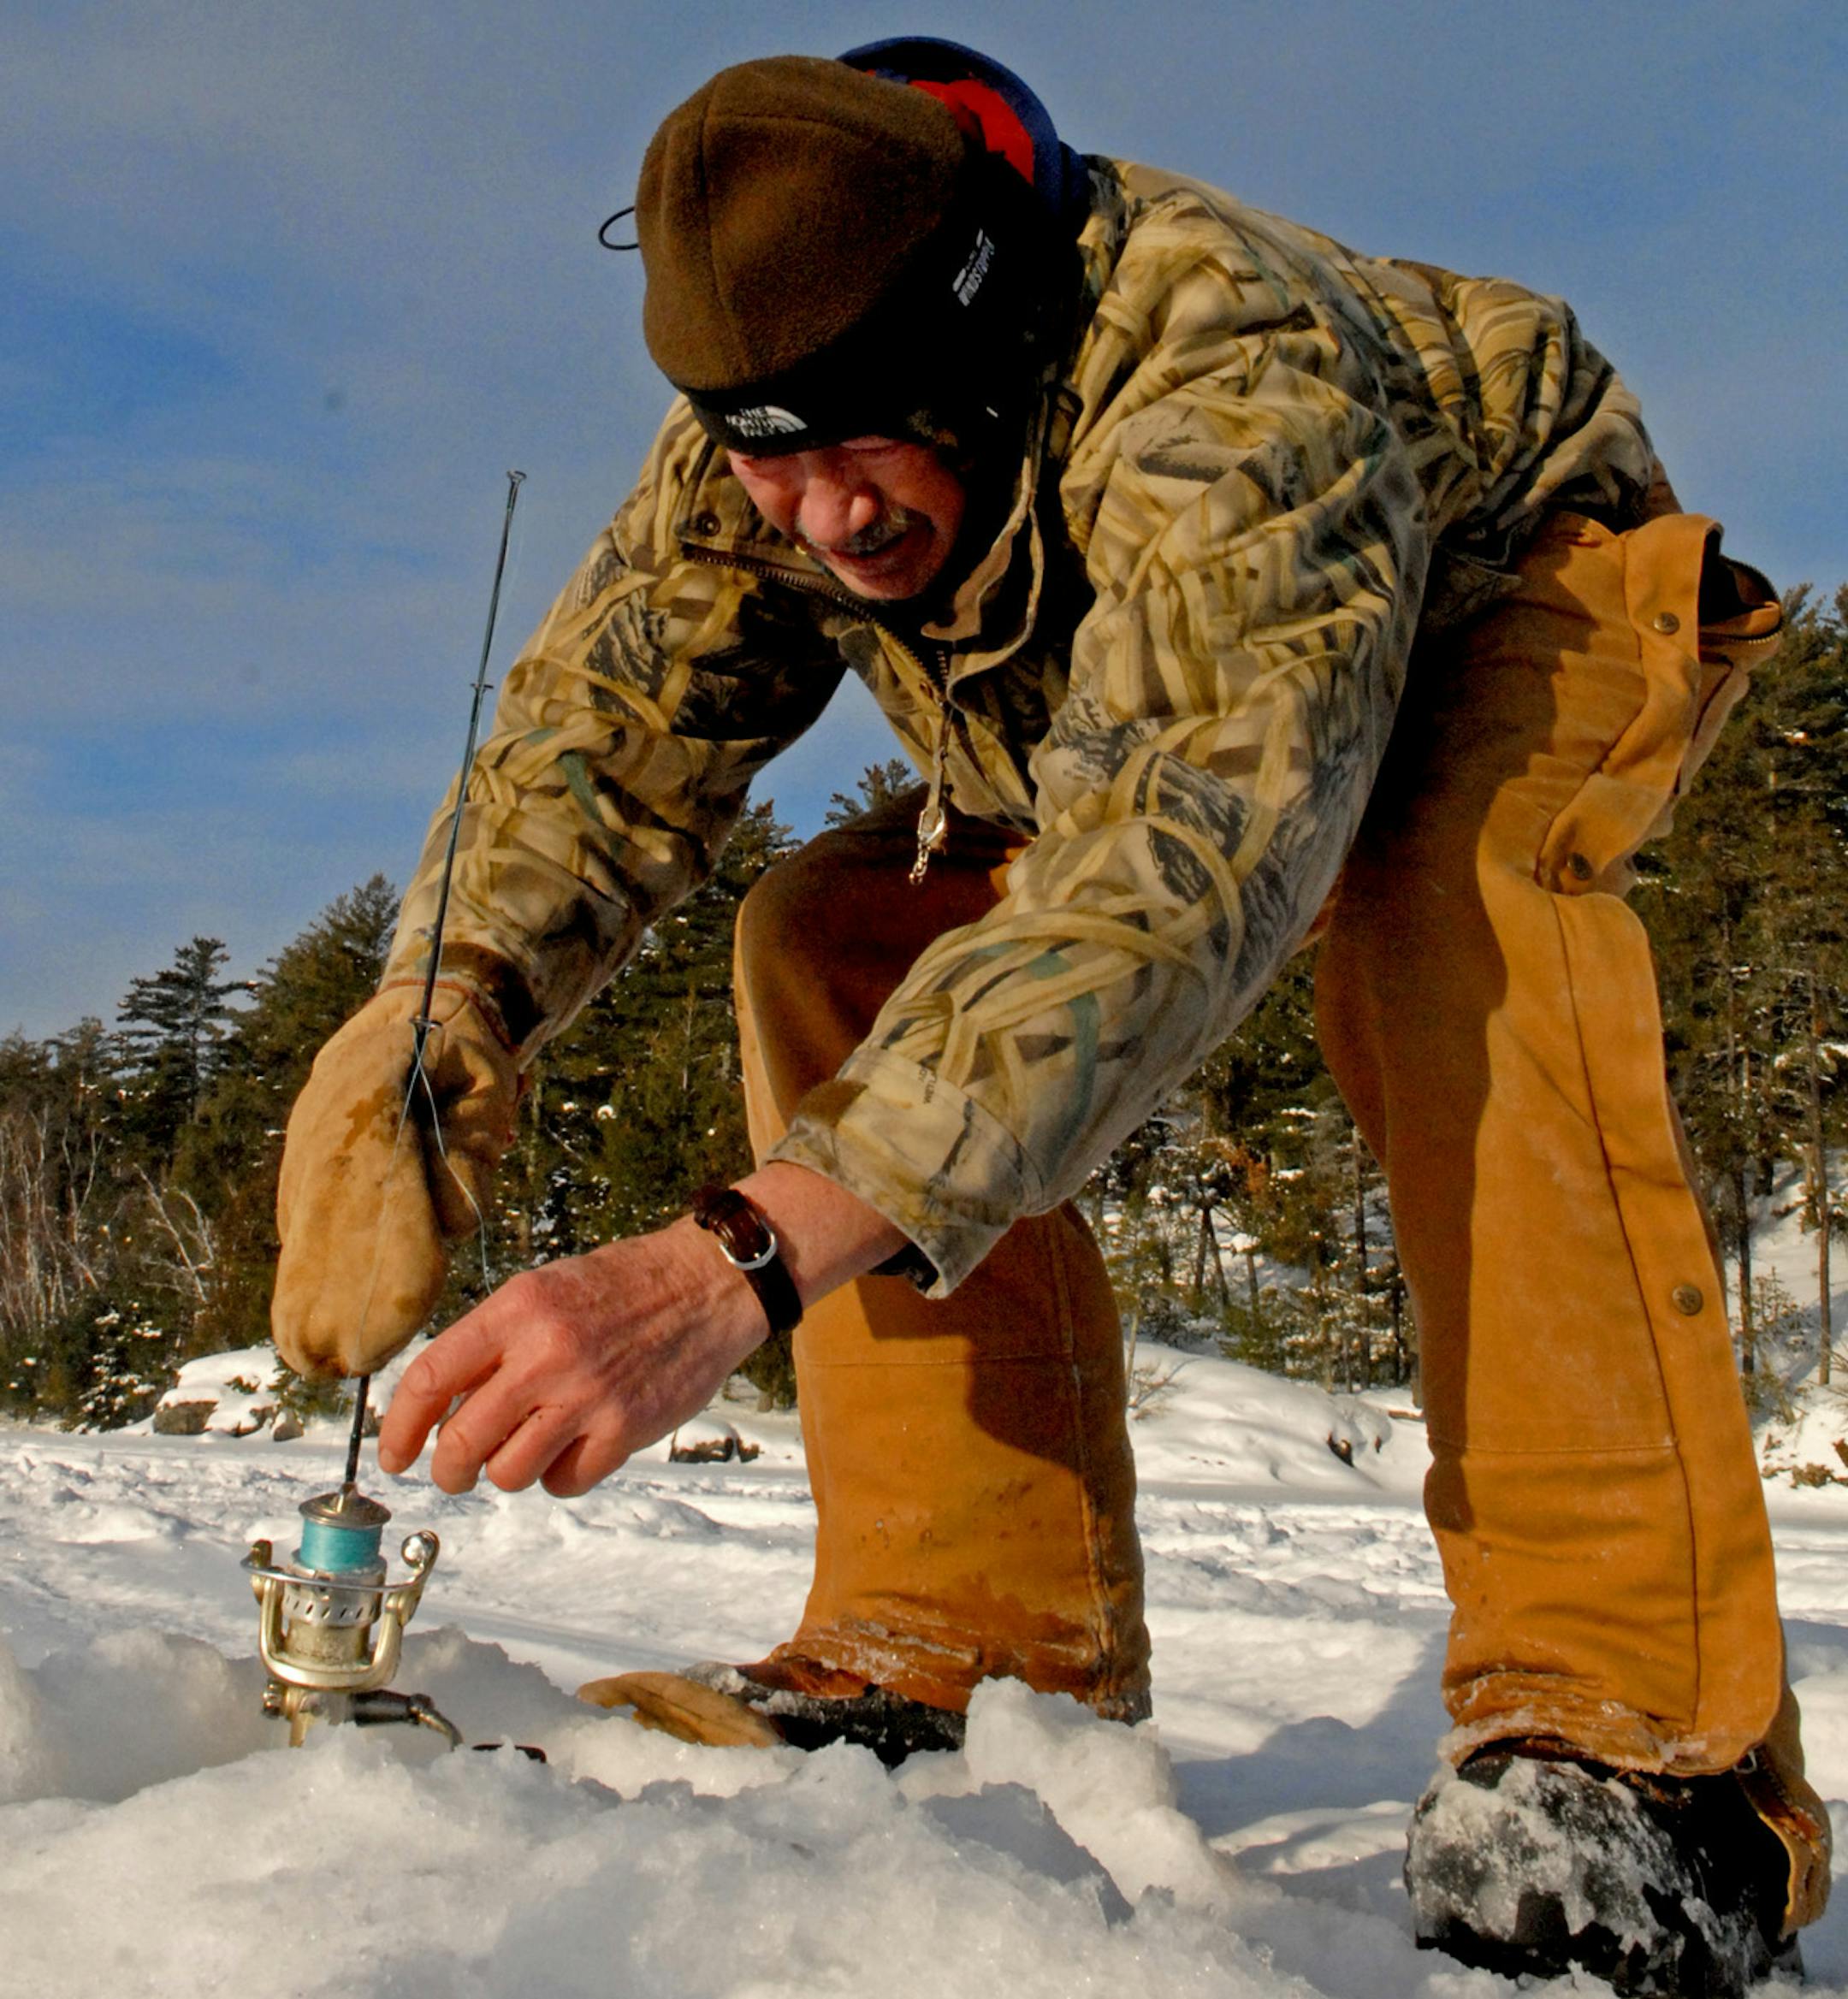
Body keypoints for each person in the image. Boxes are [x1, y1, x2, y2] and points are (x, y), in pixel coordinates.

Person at [270, 38, 1827, 1991]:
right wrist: (434, 1014)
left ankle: (1643, 1744)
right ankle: (964, 1641)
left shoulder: (1221, 373)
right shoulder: (766, 448)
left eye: (866, 445)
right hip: (1152, 711)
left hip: (1506, 598)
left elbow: (1177, 856)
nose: (821, 516)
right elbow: (593, 749)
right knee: (834, 934)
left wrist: (731, 1260)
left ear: (987, 339)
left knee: (1453, 924)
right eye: (767, 452)